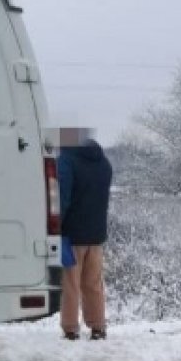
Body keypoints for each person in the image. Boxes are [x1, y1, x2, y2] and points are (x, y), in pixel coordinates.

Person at [58, 128, 114, 341]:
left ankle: (71, 328)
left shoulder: (67, 161)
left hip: (72, 234)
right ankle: (98, 326)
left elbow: (62, 197)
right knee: (93, 283)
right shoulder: (104, 163)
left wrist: (55, 226)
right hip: (97, 234)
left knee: (71, 283)